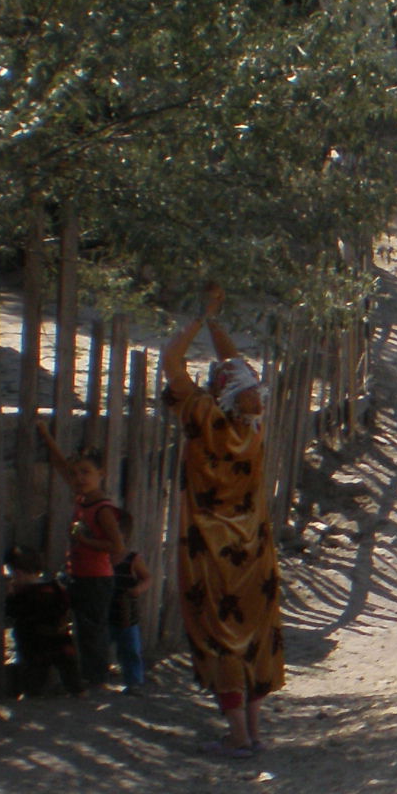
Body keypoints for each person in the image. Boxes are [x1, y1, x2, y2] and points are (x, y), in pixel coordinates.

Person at [162, 283, 284, 756]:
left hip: (210, 548)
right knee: (253, 633)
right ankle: (253, 730)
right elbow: (236, 369)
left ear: (218, 392)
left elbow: (172, 363)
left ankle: (236, 736)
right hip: (254, 547)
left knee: (221, 635)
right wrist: (216, 324)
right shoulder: (253, 431)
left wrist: (200, 317)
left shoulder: (204, 420)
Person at [36, 426, 124, 689]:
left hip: (96, 578)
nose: (79, 478)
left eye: (86, 472)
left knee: (92, 630)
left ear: (101, 474)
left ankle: (96, 679)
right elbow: (62, 466)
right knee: (79, 626)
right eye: (76, 474)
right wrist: (45, 435)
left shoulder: (102, 509)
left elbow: (117, 546)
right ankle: (86, 675)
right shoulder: (82, 498)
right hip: (78, 575)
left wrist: (84, 541)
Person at [4, 544, 83, 697]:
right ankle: (78, 690)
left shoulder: (23, 594)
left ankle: (32, 693)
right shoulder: (54, 587)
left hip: (33, 641)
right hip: (60, 636)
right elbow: (66, 604)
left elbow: (12, 612)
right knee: (68, 665)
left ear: (18, 573)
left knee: (34, 669)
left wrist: (10, 595)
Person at [111, 510, 152, 692]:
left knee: (130, 649)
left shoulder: (132, 559)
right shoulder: (100, 558)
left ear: (125, 535)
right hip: (104, 611)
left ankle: (133, 682)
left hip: (126, 614)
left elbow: (147, 578)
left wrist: (138, 589)